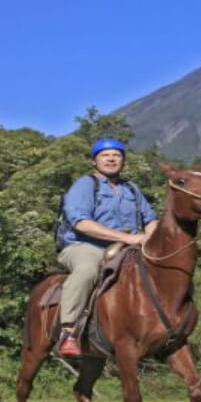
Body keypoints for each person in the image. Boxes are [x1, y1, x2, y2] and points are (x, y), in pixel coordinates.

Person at [54, 137, 158, 357]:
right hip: (84, 245)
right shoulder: (85, 184)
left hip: (125, 248)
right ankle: (68, 331)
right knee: (87, 271)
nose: (111, 159)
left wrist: (150, 237)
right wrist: (127, 238)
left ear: (123, 160)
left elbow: (150, 218)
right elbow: (82, 223)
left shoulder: (131, 188)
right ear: (95, 161)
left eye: (117, 155)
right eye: (105, 155)